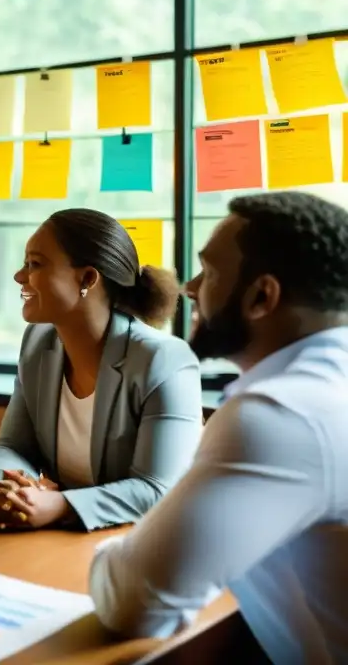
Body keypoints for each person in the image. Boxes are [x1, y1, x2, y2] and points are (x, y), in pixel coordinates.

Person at [90, 191, 348, 664]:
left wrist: (118, 548)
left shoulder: (282, 411)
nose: (189, 287)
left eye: (208, 272)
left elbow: (135, 603)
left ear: (260, 296)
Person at [0, 208, 203, 532]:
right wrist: (5, 491)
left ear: (87, 279)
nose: (19, 276)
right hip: (71, 540)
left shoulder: (164, 359)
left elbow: (159, 489)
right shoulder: (38, 343)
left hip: (153, 545)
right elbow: (13, 446)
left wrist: (60, 505)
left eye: (34, 264)